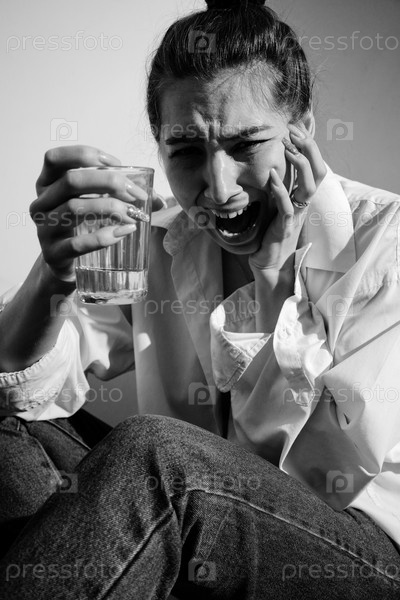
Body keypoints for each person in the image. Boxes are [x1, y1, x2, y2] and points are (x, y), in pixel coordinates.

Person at [1, 0, 400, 597]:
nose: (218, 188)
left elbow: (315, 479)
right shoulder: (160, 238)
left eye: (246, 145)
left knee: (155, 453)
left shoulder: (384, 244)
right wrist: (52, 274)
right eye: (186, 151)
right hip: (192, 521)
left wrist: (272, 285)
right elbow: (23, 379)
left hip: (360, 552)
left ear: (302, 130)